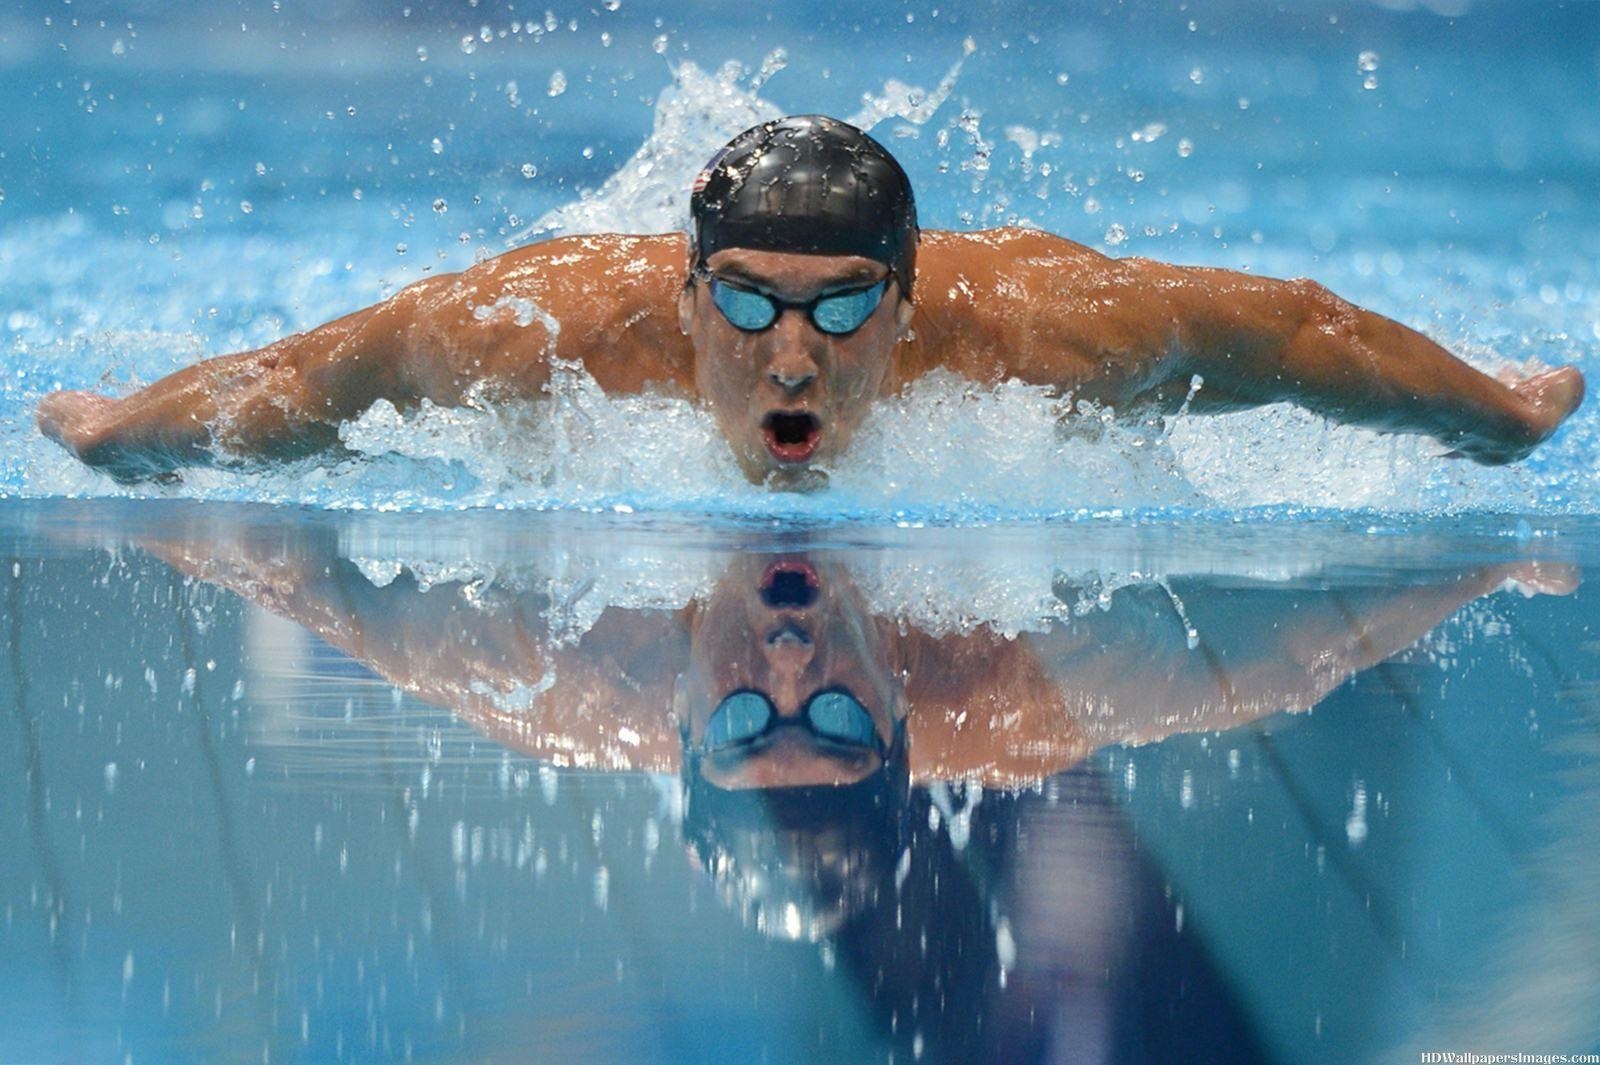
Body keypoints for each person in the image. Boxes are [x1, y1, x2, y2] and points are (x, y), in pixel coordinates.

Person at [37, 115, 1585, 487]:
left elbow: (1297, 329)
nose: (792, 354)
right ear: (685, 292)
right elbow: (327, 372)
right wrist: (125, 432)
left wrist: (1500, 415)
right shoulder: (556, 332)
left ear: (911, 306)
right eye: (751, 307)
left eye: (846, 312)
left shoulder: (1030, 327)